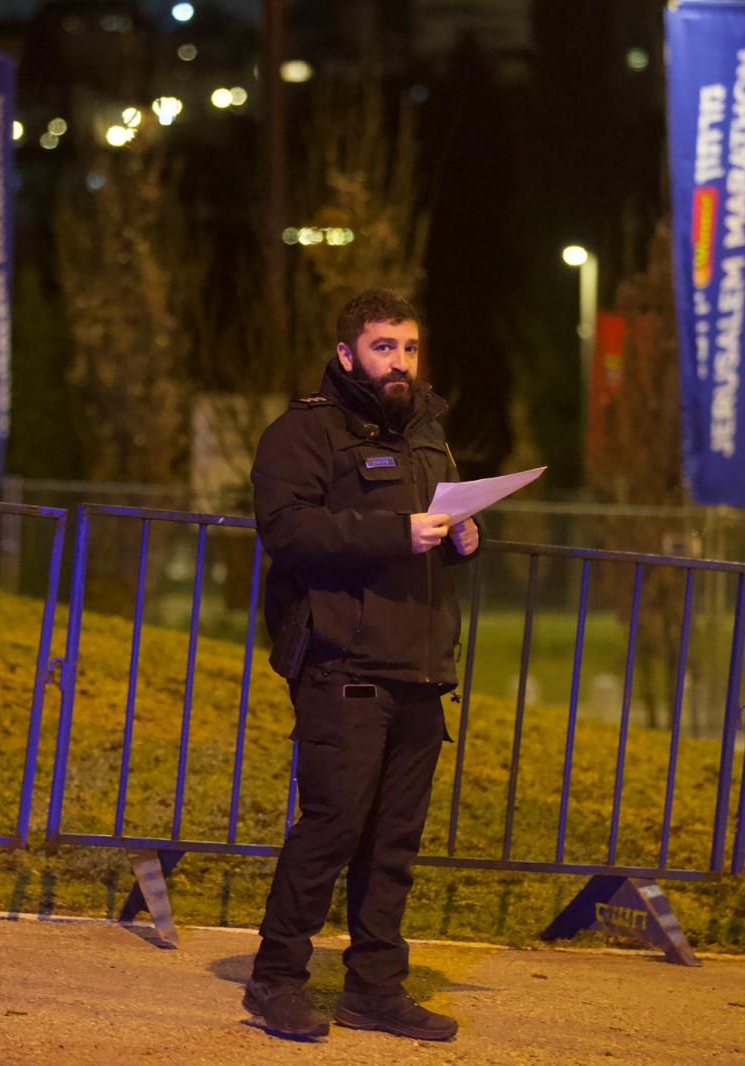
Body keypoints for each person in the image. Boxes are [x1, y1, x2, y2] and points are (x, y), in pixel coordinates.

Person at [242, 288, 479, 1043]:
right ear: (347, 355)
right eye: (384, 348)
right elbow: (287, 530)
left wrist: (466, 538)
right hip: (342, 663)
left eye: (409, 347)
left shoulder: (429, 434)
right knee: (332, 827)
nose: (400, 362)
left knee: (393, 843)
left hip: (420, 665)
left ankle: (375, 989)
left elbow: (435, 533)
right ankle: (276, 979)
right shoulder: (302, 432)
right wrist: (393, 533)